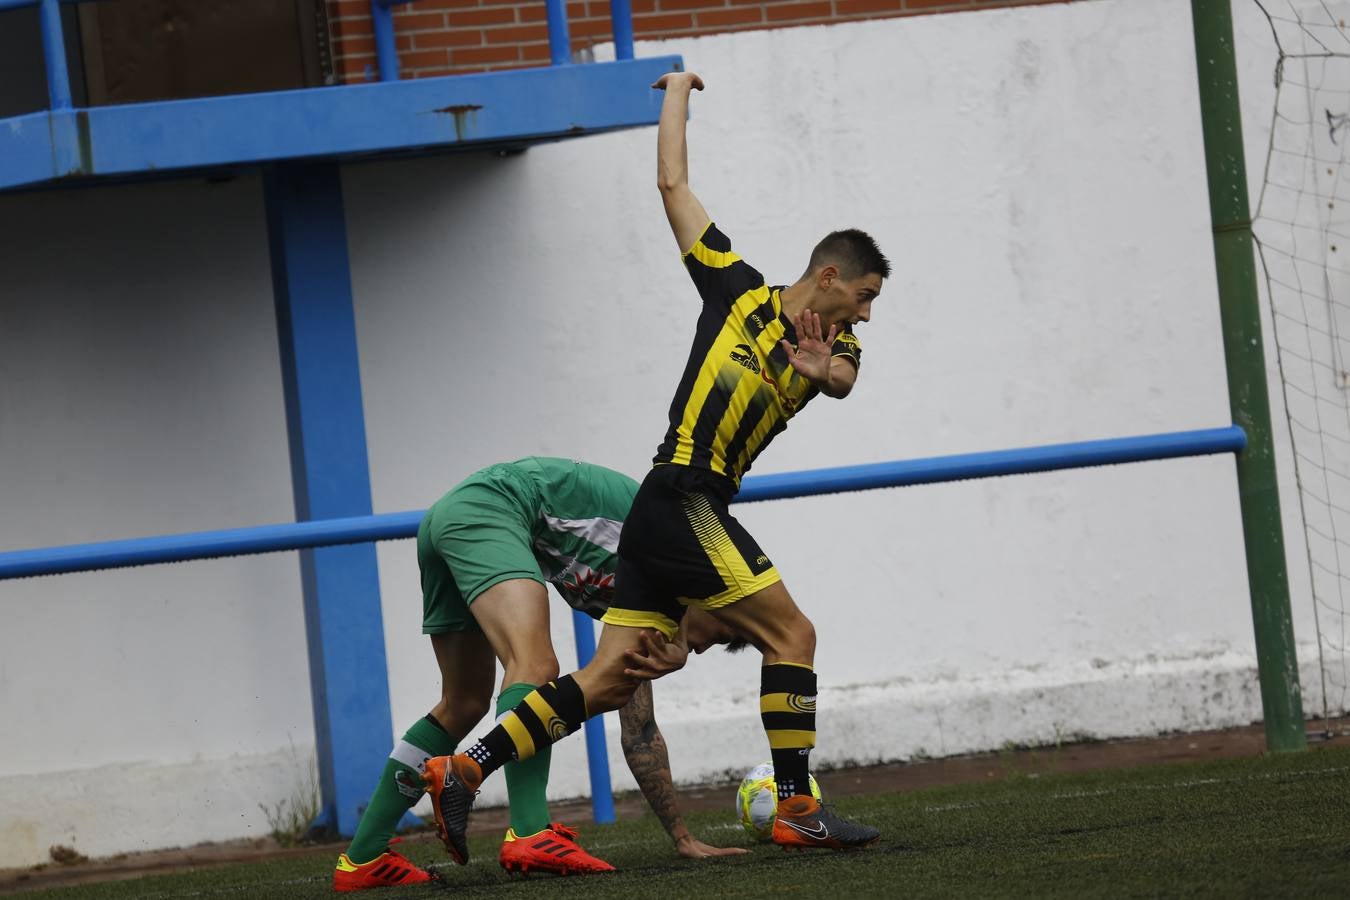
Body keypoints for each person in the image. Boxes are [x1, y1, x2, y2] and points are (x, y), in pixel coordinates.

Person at [422, 70, 891, 865]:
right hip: (678, 495)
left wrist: (821, 372)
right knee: (794, 632)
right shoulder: (736, 292)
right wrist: (676, 90)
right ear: (827, 276)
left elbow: (845, 381)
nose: (867, 315)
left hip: (667, 512)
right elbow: (672, 182)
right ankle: (798, 805)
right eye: (865, 295)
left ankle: (467, 768)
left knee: (604, 682)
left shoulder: (837, 345)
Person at [333, 456, 747, 892]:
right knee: (536, 666)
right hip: (493, 507)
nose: (700, 648)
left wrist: (683, 838)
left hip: (454, 519)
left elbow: (638, 727)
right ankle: (531, 833)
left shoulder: (652, 609)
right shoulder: (675, 557)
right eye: (717, 636)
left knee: (464, 701)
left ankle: (365, 857)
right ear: (714, 596)